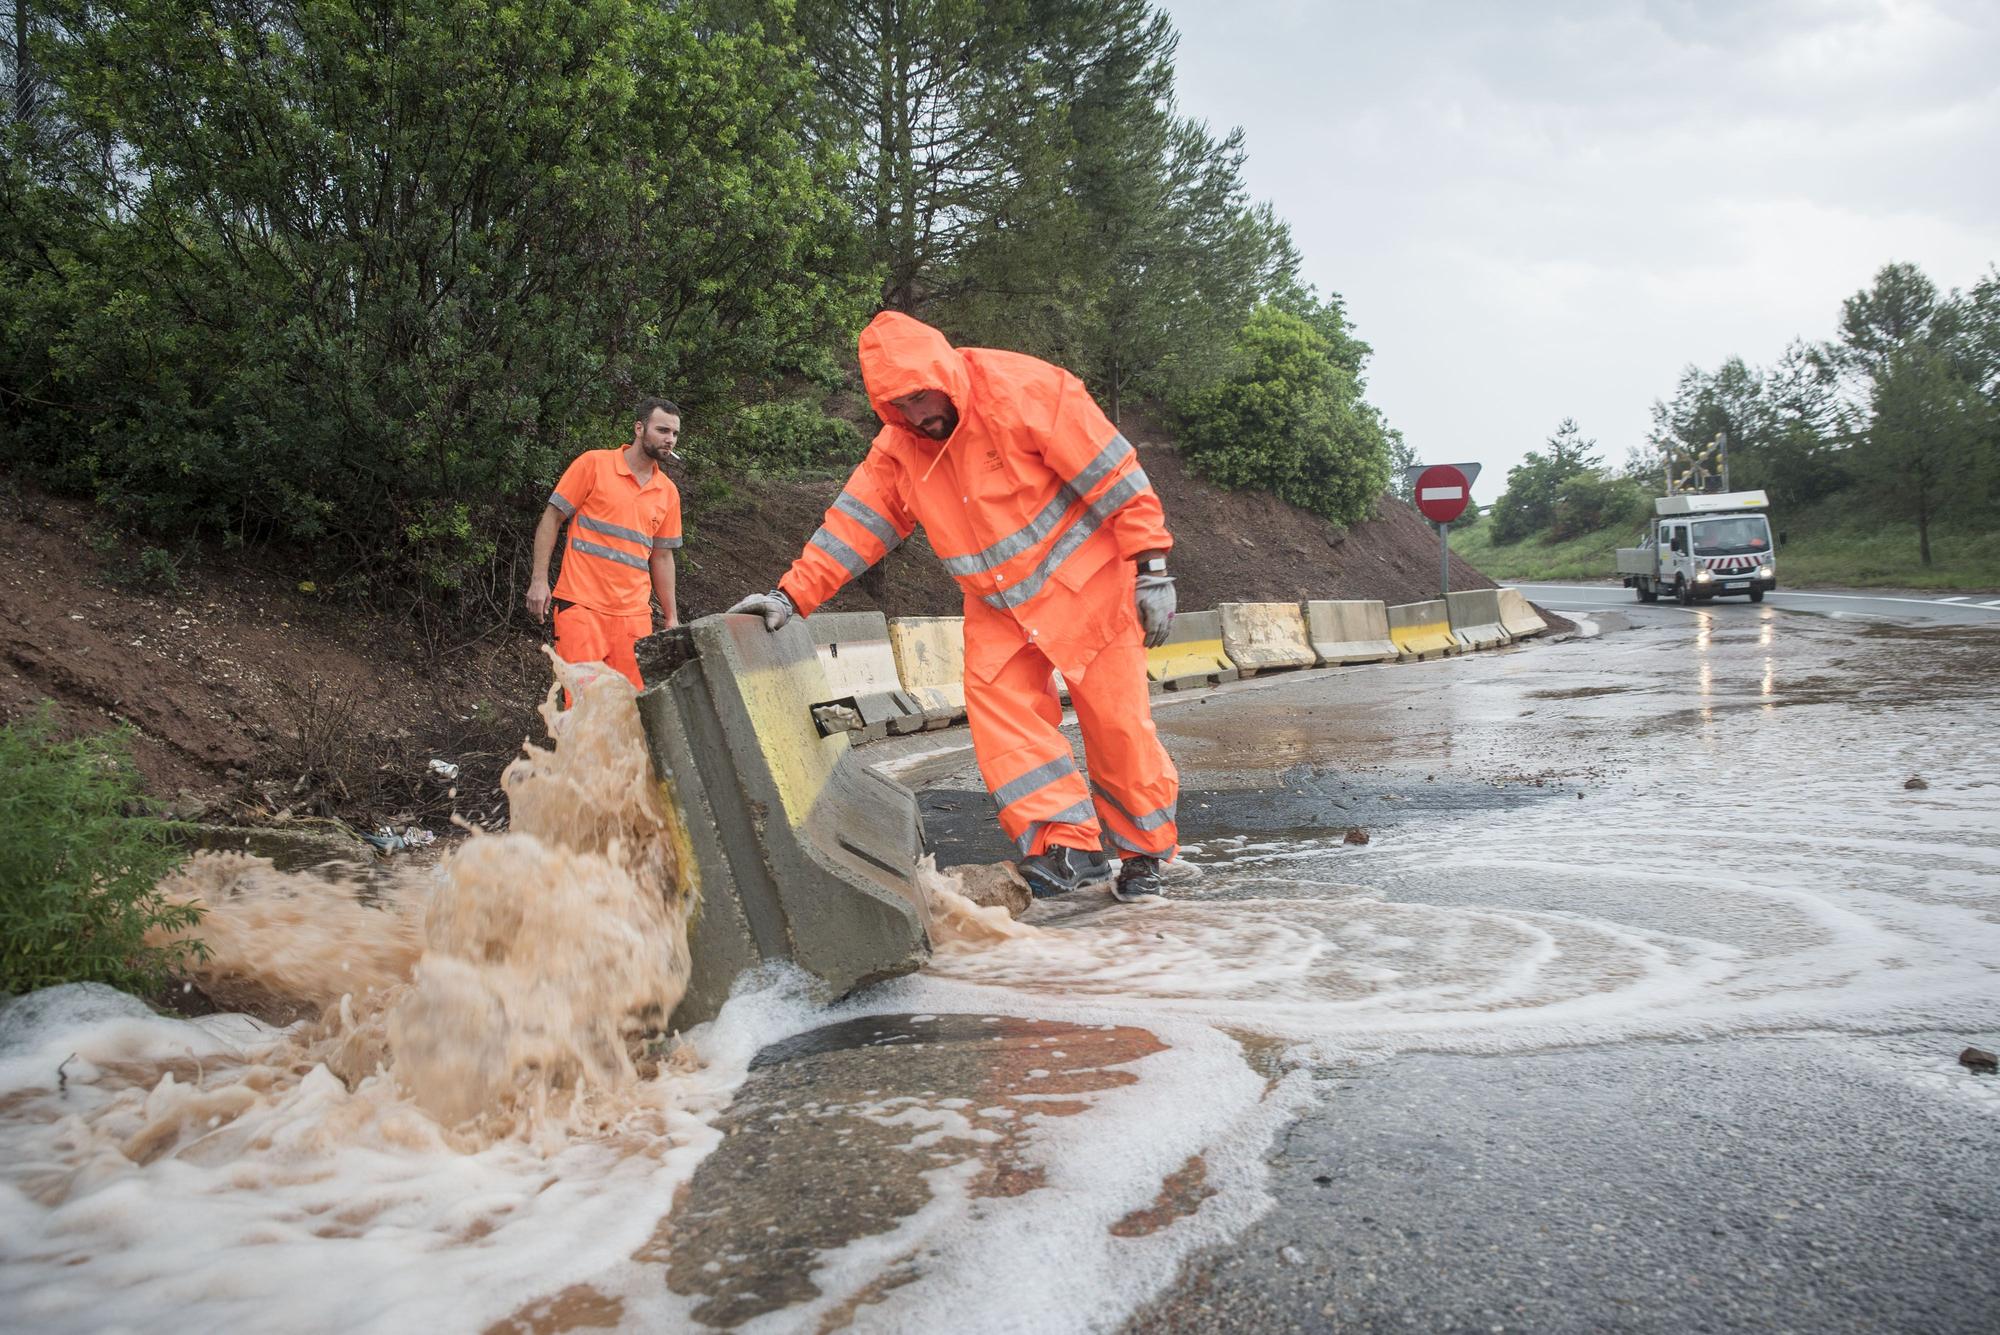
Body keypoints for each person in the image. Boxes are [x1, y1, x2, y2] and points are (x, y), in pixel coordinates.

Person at [729, 313, 1180, 902]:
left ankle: (1144, 854)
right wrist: (791, 595)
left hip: (1087, 587)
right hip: (997, 604)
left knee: (1118, 728)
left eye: (920, 396)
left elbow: (1114, 476)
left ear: (943, 372)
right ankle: (1066, 845)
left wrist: (1152, 567)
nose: (917, 415)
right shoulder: (899, 449)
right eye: (899, 405)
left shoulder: (1026, 389)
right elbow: (854, 526)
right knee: (1005, 723)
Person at [526, 398, 683, 690]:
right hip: (582, 608)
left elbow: (662, 557)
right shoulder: (593, 464)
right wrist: (539, 580)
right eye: (662, 430)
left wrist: (671, 617)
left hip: (634, 618)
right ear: (639, 428)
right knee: (584, 708)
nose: (669, 439)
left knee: (625, 713)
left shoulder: (668, 493)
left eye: (674, 433)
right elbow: (552, 519)